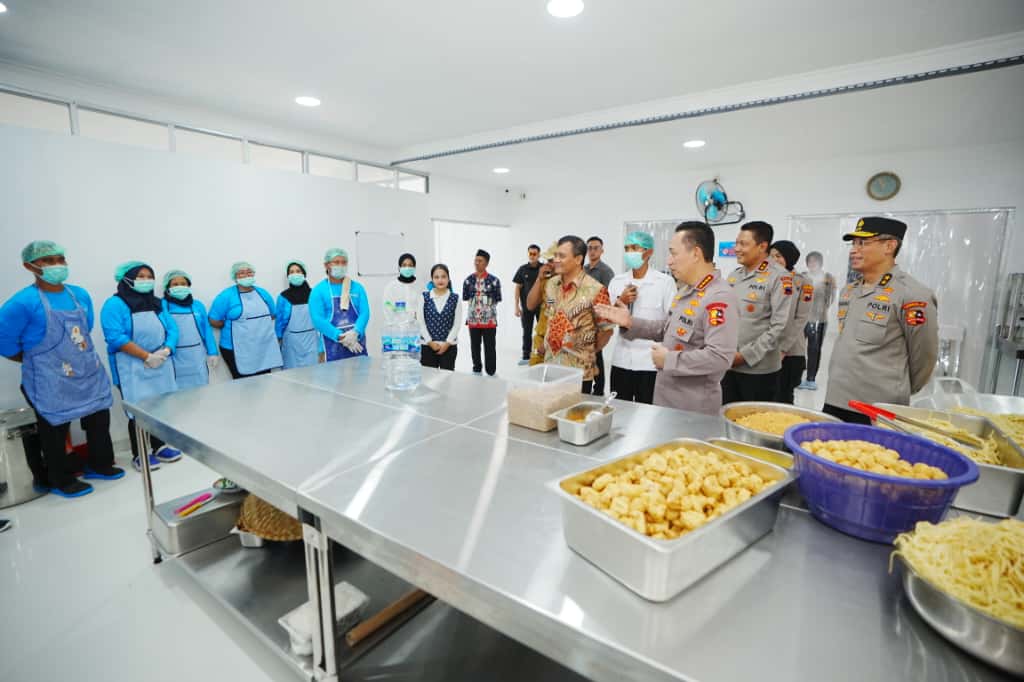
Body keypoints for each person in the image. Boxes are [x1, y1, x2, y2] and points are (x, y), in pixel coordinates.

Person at [0, 241, 121, 498]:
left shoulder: (79, 295)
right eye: (48, 260)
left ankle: (99, 464)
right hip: (49, 377)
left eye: (60, 259)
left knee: (99, 418)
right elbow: (5, 342)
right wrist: (38, 360)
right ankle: (60, 479)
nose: (57, 265)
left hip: (87, 370)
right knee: (54, 429)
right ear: (29, 266)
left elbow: (85, 328)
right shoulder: (22, 303)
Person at [597, 221, 739, 415]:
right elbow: (667, 329)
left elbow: (720, 357)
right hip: (667, 399)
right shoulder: (687, 291)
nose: (669, 261)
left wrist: (669, 360)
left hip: (691, 409)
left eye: (673, 253)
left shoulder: (718, 297)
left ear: (695, 253)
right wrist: (630, 322)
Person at [824, 217, 938, 424]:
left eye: (863, 243)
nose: (854, 250)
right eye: (853, 244)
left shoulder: (912, 294)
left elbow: (924, 356)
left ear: (889, 246)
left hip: (877, 407)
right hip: (836, 398)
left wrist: (899, 387)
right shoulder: (850, 290)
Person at [102, 261, 182, 472]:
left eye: (149, 276)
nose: (146, 280)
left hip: (161, 361)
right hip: (131, 364)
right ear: (127, 279)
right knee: (138, 409)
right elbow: (115, 337)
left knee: (160, 406)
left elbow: (172, 329)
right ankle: (140, 453)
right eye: (141, 277)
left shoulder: (157, 303)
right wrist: (146, 356)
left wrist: (167, 350)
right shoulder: (115, 305)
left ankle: (159, 445)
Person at [527, 235, 614, 393]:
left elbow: (606, 330)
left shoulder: (596, 290)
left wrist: (586, 351)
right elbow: (549, 309)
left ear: (578, 259)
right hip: (551, 366)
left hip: (578, 374)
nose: (556, 260)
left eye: (562, 256)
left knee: (574, 409)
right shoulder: (551, 284)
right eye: (555, 255)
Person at [722, 221, 794, 403]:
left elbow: (779, 326)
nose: (737, 249)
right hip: (728, 365)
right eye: (736, 243)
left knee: (754, 417)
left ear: (762, 246)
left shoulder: (779, 277)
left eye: (743, 244)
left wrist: (745, 356)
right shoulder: (734, 275)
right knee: (725, 415)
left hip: (759, 372)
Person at [607, 231, 676, 404]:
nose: (630, 252)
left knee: (648, 411)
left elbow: (671, 323)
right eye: (627, 248)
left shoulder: (664, 282)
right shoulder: (617, 281)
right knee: (620, 409)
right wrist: (621, 301)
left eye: (635, 248)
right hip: (621, 360)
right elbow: (606, 320)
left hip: (650, 363)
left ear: (649, 252)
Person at [209, 261, 283, 378]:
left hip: (262, 347)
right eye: (241, 273)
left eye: (249, 272)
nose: (246, 275)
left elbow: (272, 315)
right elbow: (213, 320)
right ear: (235, 277)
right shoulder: (226, 296)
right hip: (234, 348)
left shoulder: (263, 293)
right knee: (243, 384)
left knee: (264, 380)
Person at [769, 241, 812, 404]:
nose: (773, 260)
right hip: (767, 348)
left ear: (789, 258)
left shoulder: (803, 282)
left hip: (790, 351)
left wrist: (783, 349)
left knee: (783, 397)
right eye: (771, 256)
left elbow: (801, 319)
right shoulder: (766, 279)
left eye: (778, 256)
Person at [310, 248, 370, 361]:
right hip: (331, 346)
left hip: (357, 344)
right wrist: (340, 336)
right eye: (336, 262)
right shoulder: (318, 291)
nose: (340, 265)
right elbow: (317, 320)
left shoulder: (357, 288)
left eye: (343, 262)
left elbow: (365, 313)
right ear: (326, 265)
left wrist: (356, 332)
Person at [162, 269, 219, 388]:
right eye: (175, 284)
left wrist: (213, 352)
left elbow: (207, 330)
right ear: (168, 287)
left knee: (200, 389)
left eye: (183, 284)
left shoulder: (197, 305)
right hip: (173, 355)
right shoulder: (162, 305)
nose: (180, 287)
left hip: (196, 355)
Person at [276, 260, 324, 369]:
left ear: (304, 274)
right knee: (292, 375)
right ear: (288, 276)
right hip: (291, 342)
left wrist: (322, 347)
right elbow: (279, 323)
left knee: (314, 372)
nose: (295, 274)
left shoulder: (314, 294)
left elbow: (322, 319)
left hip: (312, 340)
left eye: (298, 271)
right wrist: (278, 339)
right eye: (291, 272)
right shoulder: (283, 297)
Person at [583, 236, 616, 396]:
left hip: (599, 319)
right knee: (588, 353)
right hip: (584, 319)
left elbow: (608, 296)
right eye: (589, 248)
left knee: (597, 352)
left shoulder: (606, 271)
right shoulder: (583, 269)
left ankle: (598, 389)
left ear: (602, 251)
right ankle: (588, 385)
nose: (592, 251)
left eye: (596, 248)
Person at [799, 251, 836, 390]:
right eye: (810, 261)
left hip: (820, 320)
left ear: (820, 263)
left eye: (815, 261)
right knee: (798, 349)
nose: (812, 263)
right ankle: (797, 377)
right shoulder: (803, 276)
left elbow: (831, 297)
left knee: (814, 350)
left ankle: (811, 379)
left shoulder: (828, 278)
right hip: (802, 319)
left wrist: (822, 310)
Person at [462, 249, 502, 376]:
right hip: (473, 320)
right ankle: (476, 368)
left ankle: (491, 371)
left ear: (486, 263)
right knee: (475, 346)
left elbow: (497, 299)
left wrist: (485, 306)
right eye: (476, 260)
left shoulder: (494, 281)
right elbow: (466, 297)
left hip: (489, 320)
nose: (477, 263)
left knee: (490, 346)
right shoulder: (468, 280)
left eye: (480, 261)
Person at [419, 264, 462, 371]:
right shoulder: (424, 297)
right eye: (436, 277)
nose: (440, 280)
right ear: (432, 279)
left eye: (443, 276)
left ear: (448, 278)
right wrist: (430, 342)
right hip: (427, 346)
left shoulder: (455, 298)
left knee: (447, 379)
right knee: (428, 378)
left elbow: (457, 324)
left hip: (449, 346)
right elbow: (420, 322)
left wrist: (447, 344)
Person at [513, 244, 543, 366]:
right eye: (530, 253)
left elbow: (550, 288)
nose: (532, 256)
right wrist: (516, 306)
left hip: (541, 307)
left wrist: (551, 306)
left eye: (534, 254)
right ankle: (526, 356)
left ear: (539, 255)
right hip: (526, 308)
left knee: (542, 332)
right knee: (527, 332)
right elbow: (517, 288)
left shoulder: (544, 269)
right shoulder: (522, 269)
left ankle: (541, 355)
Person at [383, 253, 420, 323]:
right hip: (396, 327)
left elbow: (423, 309)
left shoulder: (420, 286)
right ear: (399, 268)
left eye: (410, 265)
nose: (407, 268)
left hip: (417, 327)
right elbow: (387, 306)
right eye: (404, 265)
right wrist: (397, 323)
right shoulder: (391, 287)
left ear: (414, 268)